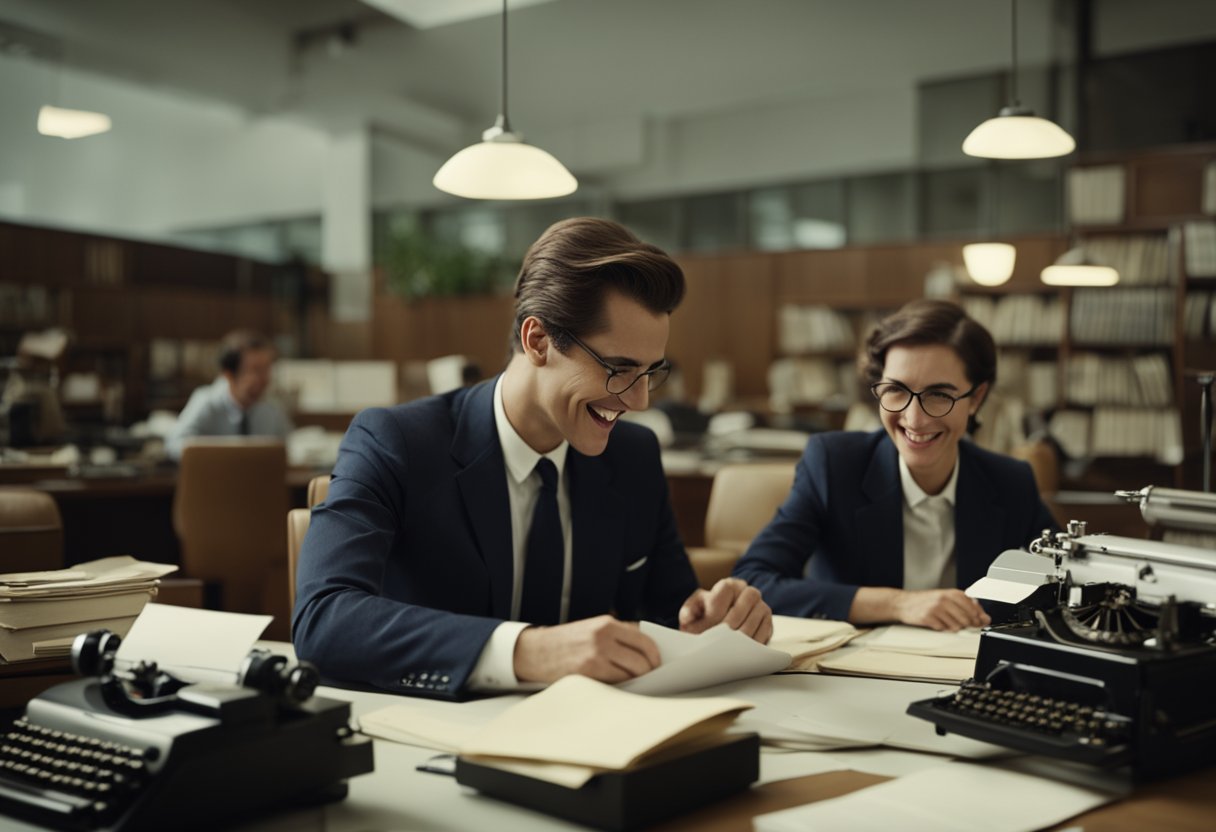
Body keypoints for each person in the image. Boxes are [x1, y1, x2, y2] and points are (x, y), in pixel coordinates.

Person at [293, 217, 771, 699]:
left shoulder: (635, 456)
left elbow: (669, 613)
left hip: (598, 743)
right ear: (537, 340)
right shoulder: (397, 441)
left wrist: (707, 624)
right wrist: (528, 651)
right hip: (437, 735)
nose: (641, 401)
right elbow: (324, 617)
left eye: (652, 372)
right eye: (619, 370)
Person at [732, 299, 1056, 632]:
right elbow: (753, 582)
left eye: (939, 395)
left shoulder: (1011, 481)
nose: (914, 419)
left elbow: (1064, 584)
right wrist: (898, 603)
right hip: (854, 673)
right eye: (896, 390)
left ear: (975, 399)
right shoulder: (834, 464)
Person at [165, 330, 292, 460]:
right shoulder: (207, 402)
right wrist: (216, 457)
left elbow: (288, 449)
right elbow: (175, 445)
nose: (265, 379)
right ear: (229, 375)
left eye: (267, 370)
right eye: (256, 370)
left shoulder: (272, 408)